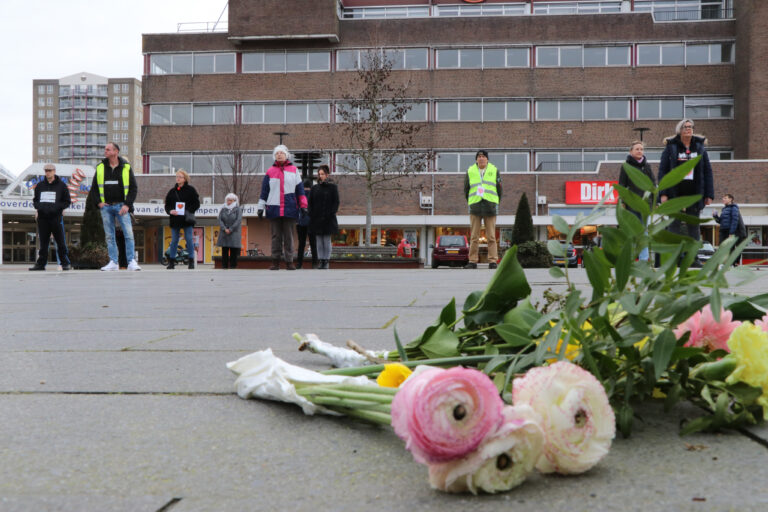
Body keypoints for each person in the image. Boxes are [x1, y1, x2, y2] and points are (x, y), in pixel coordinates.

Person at [658, 119, 714, 265]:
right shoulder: (671, 148)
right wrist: (663, 193)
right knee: (674, 227)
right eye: (685, 127)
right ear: (679, 130)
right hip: (674, 194)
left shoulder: (700, 147)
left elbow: (707, 171)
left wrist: (709, 194)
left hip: (694, 194)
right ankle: (672, 259)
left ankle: (693, 259)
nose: (688, 129)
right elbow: (662, 171)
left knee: (693, 228)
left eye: (690, 127)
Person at [89, 142, 141, 271]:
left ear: (116, 151)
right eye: (105, 149)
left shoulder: (126, 167)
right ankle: (113, 262)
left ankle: (131, 262)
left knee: (128, 234)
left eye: (108, 149)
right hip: (106, 208)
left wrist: (127, 205)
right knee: (109, 236)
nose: (105, 151)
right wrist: (99, 203)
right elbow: (94, 188)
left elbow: (133, 188)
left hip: (121, 207)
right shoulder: (100, 167)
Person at [257, 145, 308, 270]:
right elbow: (264, 191)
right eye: (277, 153)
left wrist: (303, 205)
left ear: (286, 155)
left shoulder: (294, 170)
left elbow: (300, 190)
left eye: (282, 153)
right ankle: (275, 261)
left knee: (289, 236)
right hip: (273, 208)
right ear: (274, 156)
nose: (279, 155)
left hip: (290, 208)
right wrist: (260, 207)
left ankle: (289, 261)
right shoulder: (270, 171)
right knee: (276, 237)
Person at [618, 140, 656, 262]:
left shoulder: (647, 166)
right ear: (631, 151)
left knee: (643, 232)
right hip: (631, 205)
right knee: (632, 233)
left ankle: (644, 259)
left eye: (641, 149)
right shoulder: (626, 166)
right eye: (637, 149)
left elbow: (653, 185)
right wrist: (622, 202)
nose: (640, 151)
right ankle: (630, 259)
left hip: (645, 206)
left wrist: (654, 201)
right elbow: (622, 185)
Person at [464, 150, 502, 269]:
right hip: (475, 207)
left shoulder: (494, 170)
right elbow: (466, 189)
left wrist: (495, 202)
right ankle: (472, 261)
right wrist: (471, 202)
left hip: (490, 207)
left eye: (483, 156)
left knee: (491, 236)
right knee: (474, 237)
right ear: (476, 159)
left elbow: (499, 190)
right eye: (479, 156)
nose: (481, 158)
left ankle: (492, 261)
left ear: (487, 159)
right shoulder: (470, 171)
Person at [29, 163, 71, 271]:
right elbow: (35, 200)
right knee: (43, 243)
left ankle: (65, 263)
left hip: (56, 218)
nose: (47, 172)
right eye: (46, 170)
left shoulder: (62, 186)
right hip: (43, 218)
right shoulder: (39, 186)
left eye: (50, 170)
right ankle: (41, 264)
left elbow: (67, 201)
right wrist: (39, 207)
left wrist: (57, 208)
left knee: (60, 241)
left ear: (54, 171)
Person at [164, 170, 200, 269]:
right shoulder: (172, 191)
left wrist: (188, 210)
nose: (178, 178)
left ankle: (191, 261)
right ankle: (171, 262)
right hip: (175, 220)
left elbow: (197, 204)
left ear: (185, 179)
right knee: (174, 240)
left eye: (180, 176)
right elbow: (167, 205)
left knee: (189, 239)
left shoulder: (191, 190)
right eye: (177, 176)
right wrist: (170, 211)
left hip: (186, 219)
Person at [308, 165, 339, 270]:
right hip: (316, 218)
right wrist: (311, 214)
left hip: (328, 218)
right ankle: (321, 260)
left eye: (322, 174)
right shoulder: (314, 188)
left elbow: (336, 202)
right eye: (319, 174)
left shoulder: (333, 187)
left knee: (326, 240)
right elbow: (310, 203)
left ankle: (326, 260)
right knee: (319, 241)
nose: (320, 176)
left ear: (327, 175)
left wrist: (331, 213)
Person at [713, 193, 746, 264]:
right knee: (722, 246)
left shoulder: (734, 208)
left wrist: (731, 232)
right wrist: (715, 216)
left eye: (725, 198)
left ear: (730, 199)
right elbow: (720, 221)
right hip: (723, 231)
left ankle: (733, 263)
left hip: (730, 231)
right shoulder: (724, 209)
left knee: (731, 247)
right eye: (723, 198)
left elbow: (735, 220)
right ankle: (726, 262)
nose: (723, 199)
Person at [296, 177, 318, 269]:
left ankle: (299, 264)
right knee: (313, 244)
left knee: (301, 244)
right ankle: (314, 263)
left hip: (301, 222)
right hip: (312, 222)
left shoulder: (299, 195)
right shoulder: (314, 194)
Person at [217, 193, 243, 269]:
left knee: (233, 250)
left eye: (230, 200)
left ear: (234, 200)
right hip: (224, 232)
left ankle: (233, 265)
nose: (228, 202)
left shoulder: (238, 209)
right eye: (227, 200)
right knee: (224, 249)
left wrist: (231, 229)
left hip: (234, 232)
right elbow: (220, 219)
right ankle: (224, 266)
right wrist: (224, 228)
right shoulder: (223, 209)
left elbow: (238, 220)